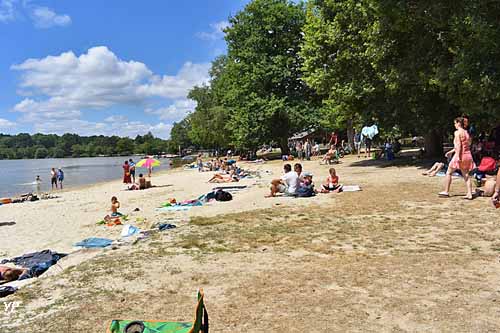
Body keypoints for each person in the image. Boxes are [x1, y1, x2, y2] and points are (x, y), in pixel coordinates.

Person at [439, 117, 475, 199]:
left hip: (460, 155)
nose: (454, 125)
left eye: (455, 123)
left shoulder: (457, 132)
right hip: (467, 155)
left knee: (449, 172)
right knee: (466, 175)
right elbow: (465, 145)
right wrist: (450, 152)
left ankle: (446, 191)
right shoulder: (466, 133)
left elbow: (458, 146)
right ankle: (469, 193)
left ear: (459, 123)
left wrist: (458, 156)